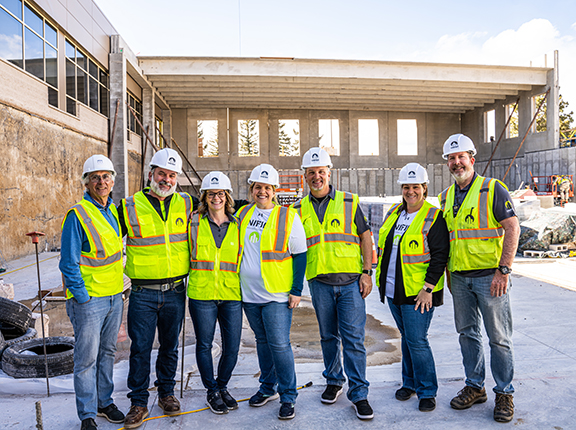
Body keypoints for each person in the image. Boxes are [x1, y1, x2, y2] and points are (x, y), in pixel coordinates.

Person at [439, 133, 520, 423]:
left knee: (499, 338)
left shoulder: (492, 189)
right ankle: (475, 386)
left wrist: (504, 269)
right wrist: (449, 273)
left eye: (461, 157)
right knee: (467, 334)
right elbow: (449, 239)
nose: (456, 162)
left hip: (490, 278)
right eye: (451, 158)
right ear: (447, 163)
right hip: (460, 278)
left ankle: (504, 392)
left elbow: (512, 228)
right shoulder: (445, 197)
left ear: (472, 159)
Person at [292, 147, 374, 420]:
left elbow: (365, 237)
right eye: (311, 173)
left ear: (330, 173)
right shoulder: (296, 210)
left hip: (351, 282)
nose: (317, 177)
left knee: (353, 340)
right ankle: (334, 381)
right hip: (320, 283)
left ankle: (359, 393)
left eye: (321, 172)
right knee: (328, 337)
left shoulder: (349, 201)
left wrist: (366, 271)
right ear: (305, 176)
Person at [118, 148, 192, 429]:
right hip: (142, 293)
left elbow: (218, 207)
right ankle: (138, 402)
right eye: (162, 173)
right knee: (141, 348)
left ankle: (166, 393)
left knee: (170, 347)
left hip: (175, 291)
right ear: (151, 174)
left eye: (172, 175)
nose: (167, 180)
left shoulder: (186, 203)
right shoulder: (129, 207)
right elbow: (107, 240)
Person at [375, 163, 449, 413]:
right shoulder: (395, 212)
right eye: (406, 187)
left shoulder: (433, 216)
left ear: (425, 188)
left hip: (419, 292)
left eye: (415, 186)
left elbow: (440, 256)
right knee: (406, 338)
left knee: (417, 341)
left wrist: (428, 288)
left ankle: (427, 390)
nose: (410, 191)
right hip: (395, 289)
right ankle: (409, 383)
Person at [237, 164, 307, 420]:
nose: (262, 191)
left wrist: (296, 290)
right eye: (258, 187)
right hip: (249, 294)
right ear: (251, 189)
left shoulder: (288, 216)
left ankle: (288, 395)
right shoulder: (243, 213)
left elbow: (300, 255)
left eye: (267, 188)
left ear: (275, 190)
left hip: (277, 295)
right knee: (262, 342)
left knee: (279, 345)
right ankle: (268, 388)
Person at [60, 154, 125, 430]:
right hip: (89, 301)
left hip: (113, 297)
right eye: (95, 177)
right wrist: (82, 297)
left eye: (106, 177)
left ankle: (104, 402)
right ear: (87, 183)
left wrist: (118, 293)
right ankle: (87, 414)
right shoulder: (78, 214)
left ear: (113, 181)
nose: (102, 182)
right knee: (86, 359)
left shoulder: (111, 211)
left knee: (107, 353)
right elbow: (68, 263)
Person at [187, 171, 242, 415]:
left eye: (220, 193)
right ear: (205, 197)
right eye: (211, 194)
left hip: (231, 294)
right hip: (202, 294)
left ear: (227, 197)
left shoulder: (238, 224)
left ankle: (222, 386)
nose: (216, 198)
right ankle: (211, 391)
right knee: (205, 344)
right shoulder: (194, 221)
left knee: (232, 347)